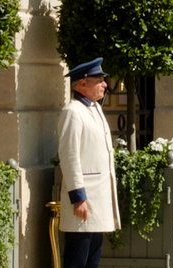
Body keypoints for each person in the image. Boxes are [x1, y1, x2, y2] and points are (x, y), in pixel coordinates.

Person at [57, 57, 120, 268]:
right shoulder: (72, 112)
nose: (105, 84)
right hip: (84, 200)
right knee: (77, 259)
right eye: (99, 80)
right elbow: (69, 156)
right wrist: (78, 197)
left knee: (92, 259)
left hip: (98, 199)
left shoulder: (93, 108)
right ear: (82, 84)